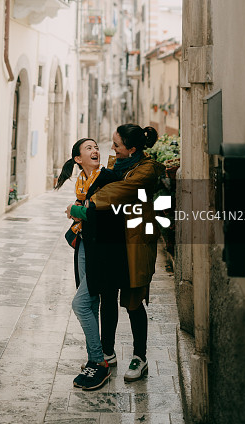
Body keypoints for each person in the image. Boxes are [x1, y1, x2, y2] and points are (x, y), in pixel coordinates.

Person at [85, 124, 163, 382]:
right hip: (112, 241)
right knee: (108, 297)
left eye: (117, 145)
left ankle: (140, 357)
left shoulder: (146, 170)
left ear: (132, 149)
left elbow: (117, 192)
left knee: (133, 301)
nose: (112, 148)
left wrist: (90, 201)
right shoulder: (117, 164)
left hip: (134, 242)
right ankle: (108, 352)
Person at [55, 138, 114, 391]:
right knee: (90, 301)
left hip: (101, 248)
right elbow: (87, 207)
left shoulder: (107, 177)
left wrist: (74, 210)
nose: (95, 150)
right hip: (83, 242)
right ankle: (98, 357)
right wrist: (78, 209)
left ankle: (98, 361)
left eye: (96, 147)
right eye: (89, 148)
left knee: (79, 302)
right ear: (78, 159)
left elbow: (104, 213)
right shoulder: (81, 181)